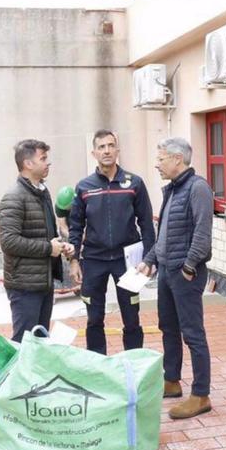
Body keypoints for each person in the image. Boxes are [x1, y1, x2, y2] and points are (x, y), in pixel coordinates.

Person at [138, 137, 214, 419]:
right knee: (167, 327)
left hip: (185, 274)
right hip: (167, 272)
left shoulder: (198, 188)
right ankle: (171, 381)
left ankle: (201, 394)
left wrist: (190, 266)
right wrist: (149, 260)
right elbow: (166, 234)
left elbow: (203, 235)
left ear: (177, 159)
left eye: (161, 158)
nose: (157, 164)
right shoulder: (172, 190)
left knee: (193, 333)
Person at [68, 130, 155, 355]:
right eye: (101, 147)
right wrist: (74, 260)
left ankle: (134, 363)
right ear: (94, 152)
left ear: (117, 150)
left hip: (128, 261)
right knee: (94, 318)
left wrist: (149, 259)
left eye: (110, 146)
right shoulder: (84, 187)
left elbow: (146, 223)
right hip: (94, 260)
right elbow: (76, 226)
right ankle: (98, 365)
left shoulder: (134, 183)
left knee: (131, 316)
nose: (106, 151)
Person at [0, 139, 74, 342]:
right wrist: (48, 248)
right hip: (24, 286)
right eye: (43, 158)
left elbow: (44, 234)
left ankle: (34, 375)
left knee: (39, 341)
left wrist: (59, 244)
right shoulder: (13, 197)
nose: (48, 163)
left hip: (42, 281)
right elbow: (9, 241)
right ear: (28, 163)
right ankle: (14, 375)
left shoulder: (42, 192)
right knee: (23, 343)